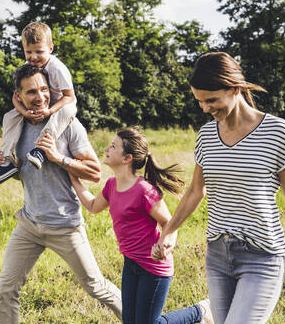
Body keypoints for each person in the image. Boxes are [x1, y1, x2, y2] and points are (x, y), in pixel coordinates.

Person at [153, 52, 285, 324]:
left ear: (235, 89)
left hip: (262, 255)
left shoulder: (275, 130)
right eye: (200, 101)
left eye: (211, 100)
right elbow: (195, 191)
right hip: (218, 253)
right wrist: (169, 230)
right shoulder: (206, 135)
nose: (205, 108)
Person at [0, 63, 122, 324]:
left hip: (65, 225)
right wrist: (7, 167)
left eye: (44, 89)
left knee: (96, 287)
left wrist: (58, 157)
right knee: (6, 289)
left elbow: (94, 172)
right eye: (31, 92)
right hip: (29, 224)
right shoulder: (15, 126)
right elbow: (26, 174)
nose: (40, 97)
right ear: (18, 97)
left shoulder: (68, 124)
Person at [69, 127, 213, 324]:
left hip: (154, 267)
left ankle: (200, 312)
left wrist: (166, 242)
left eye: (113, 146)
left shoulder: (143, 190)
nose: (106, 148)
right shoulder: (111, 185)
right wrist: (72, 177)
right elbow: (93, 206)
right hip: (131, 262)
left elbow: (168, 223)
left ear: (127, 158)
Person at [0, 21, 77, 188]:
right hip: (37, 106)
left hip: (60, 105)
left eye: (39, 51)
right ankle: (6, 160)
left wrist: (50, 111)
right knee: (9, 116)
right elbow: (16, 97)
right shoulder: (27, 68)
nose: (33, 57)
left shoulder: (58, 68)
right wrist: (24, 112)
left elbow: (69, 97)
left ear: (50, 48)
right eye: (29, 52)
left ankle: (41, 149)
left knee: (67, 110)